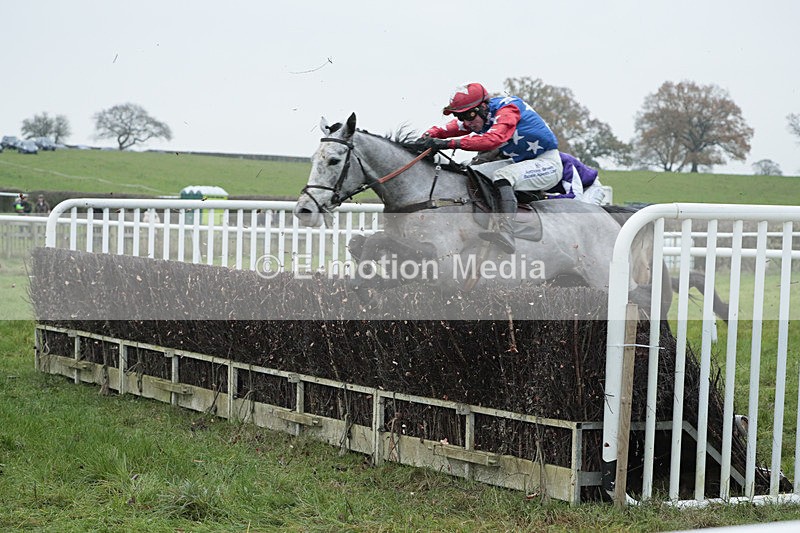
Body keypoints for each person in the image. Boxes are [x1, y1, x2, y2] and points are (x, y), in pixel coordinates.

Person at [416, 82, 562, 253]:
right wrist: (427, 136)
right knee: (472, 174)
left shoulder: (508, 109)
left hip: (547, 163)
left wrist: (447, 144)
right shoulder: (481, 116)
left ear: (483, 106)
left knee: (503, 176)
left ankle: (506, 231)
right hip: (520, 163)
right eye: (461, 117)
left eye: (469, 116)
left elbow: (493, 140)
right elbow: (446, 129)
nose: (466, 122)